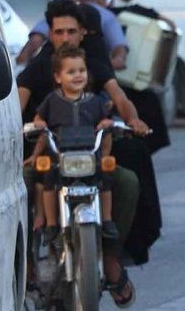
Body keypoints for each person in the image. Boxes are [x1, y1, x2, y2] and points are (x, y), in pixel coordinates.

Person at [17, 0, 147, 307]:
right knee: (21, 185)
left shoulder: (93, 65)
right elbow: (16, 106)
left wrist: (133, 120)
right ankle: (27, 266)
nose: (65, 38)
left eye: (71, 31)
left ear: (83, 33)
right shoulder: (38, 68)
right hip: (49, 157)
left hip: (89, 158)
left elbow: (119, 97)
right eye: (59, 32)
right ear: (50, 34)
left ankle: (111, 257)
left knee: (127, 182)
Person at [31, 46, 119, 244]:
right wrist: (40, 123)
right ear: (58, 77)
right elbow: (39, 119)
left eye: (82, 70)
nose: (78, 75)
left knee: (105, 178)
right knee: (49, 179)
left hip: (89, 156)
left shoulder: (95, 101)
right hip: (60, 157)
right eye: (71, 72)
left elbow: (105, 122)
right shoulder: (52, 100)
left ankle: (107, 220)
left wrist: (106, 123)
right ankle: (52, 224)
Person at [16, 0, 129, 70]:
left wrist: (111, 63)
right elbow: (36, 40)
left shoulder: (105, 16)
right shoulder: (58, 10)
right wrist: (23, 61)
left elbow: (119, 46)